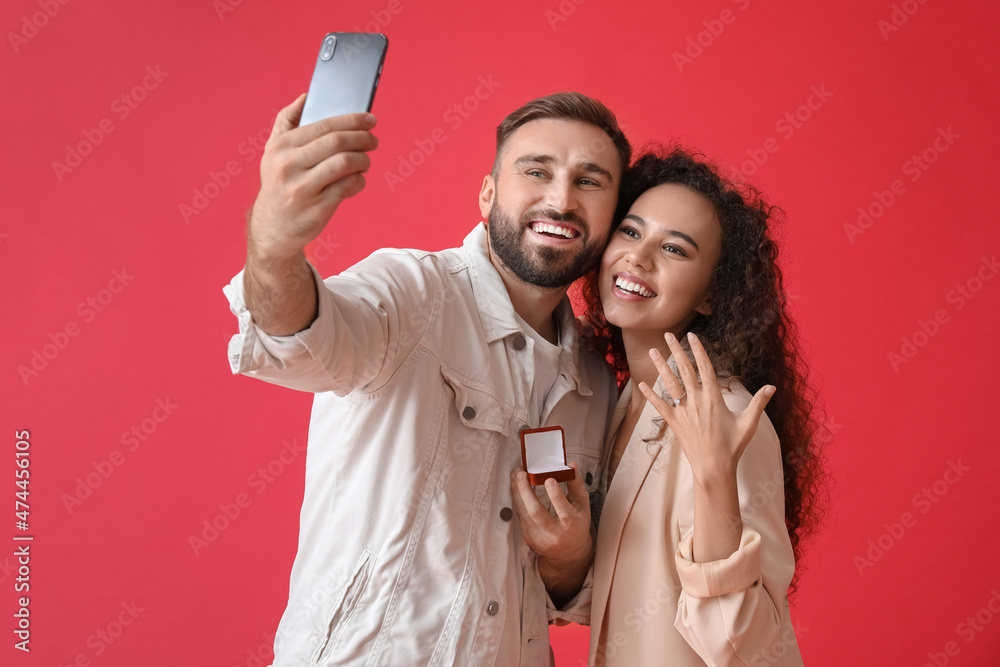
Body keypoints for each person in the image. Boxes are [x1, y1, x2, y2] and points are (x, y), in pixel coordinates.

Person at [223, 91, 631, 665]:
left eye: (590, 182)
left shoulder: (597, 381)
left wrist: (567, 556)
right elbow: (300, 340)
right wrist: (273, 243)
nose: (561, 199)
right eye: (536, 171)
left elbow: (562, 600)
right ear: (488, 193)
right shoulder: (411, 292)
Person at [580, 147, 823, 665]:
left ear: (711, 295)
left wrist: (715, 478)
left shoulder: (730, 417)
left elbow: (740, 645)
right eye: (630, 231)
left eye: (674, 249)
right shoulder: (623, 402)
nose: (638, 258)